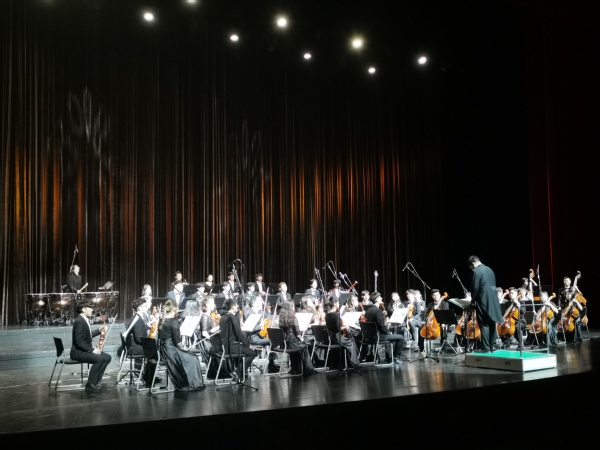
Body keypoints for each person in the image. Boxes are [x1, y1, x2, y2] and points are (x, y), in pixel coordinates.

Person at [157, 300, 206, 391]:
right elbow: (177, 342)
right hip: (170, 351)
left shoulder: (161, 320)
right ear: (174, 309)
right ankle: (192, 382)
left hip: (163, 350)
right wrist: (184, 349)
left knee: (188, 356)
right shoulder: (174, 322)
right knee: (193, 358)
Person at [70, 300, 112, 392]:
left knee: (107, 357)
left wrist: (99, 330)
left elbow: (87, 335)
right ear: (83, 309)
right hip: (78, 352)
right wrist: (92, 350)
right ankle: (90, 384)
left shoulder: (84, 320)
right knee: (99, 359)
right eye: (90, 308)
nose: (92, 310)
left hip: (83, 351)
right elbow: (79, 341)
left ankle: (96, 380)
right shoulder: (79, 321)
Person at [468, 255, 503, 353]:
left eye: (471, 266)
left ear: (473, 263)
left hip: (483, 300)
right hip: (493, 299)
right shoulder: (490, 270)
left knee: (484, 324)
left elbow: (475, 288)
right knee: (492, 322)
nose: (471, 269)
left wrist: (472, 300)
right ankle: (493, 346)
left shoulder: (476, 271)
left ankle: (486, 347)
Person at [218, 298, 256, 379]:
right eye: (236, 305)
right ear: (233, 307)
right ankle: (238, 371)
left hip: (224, 346)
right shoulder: (233, 318)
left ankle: (240, 371)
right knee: (252, 353)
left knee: (243, 349)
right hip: (231, 347)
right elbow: (239, 335)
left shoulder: (222, 317)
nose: (237, 307)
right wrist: (247, 344)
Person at [365, 292, 406, 363]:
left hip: (370, 336)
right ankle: (395, 357)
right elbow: (382, 326)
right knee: (401, 337)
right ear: (377, 299)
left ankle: (389, 357)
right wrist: (388, 332)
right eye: (380, 298)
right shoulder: (377, 311)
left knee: (389, 337)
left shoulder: (368, 310)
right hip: (377, 336)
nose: (381, 299)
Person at [277, 299, 316, 376]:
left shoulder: (281, 318)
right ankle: (308, 369)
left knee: (297, 347)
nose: (294, 307)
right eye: (293, 306)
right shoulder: (293, 318)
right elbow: (297, 333)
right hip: (292, 342)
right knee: (304, 346)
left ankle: (295, 369)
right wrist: (301, 338)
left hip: (284, 343)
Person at [325, 298, 361, 369]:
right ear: (335, 304)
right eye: (338, 303)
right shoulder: (336, 314)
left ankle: (347, 363)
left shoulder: (327, 314)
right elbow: (338, 328)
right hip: (337, 337)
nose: (339, 304)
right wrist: (345, 326)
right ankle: (354, 363)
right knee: (351, 341)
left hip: (330, 337)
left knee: (348, 341)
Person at [418, 289, 449, 356]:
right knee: (421, 328)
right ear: (432, 296)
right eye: (434, 295)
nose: (436, 296)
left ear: (440, 295)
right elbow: (427, 314)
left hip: (441, 322)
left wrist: (443, 322)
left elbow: (446, 314)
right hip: (432, 322)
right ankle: (421, 348)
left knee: (443, 328)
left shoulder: (445, 304)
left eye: (437, 295)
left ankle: (443, 348)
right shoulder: (430, 305)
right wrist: (425, 320)